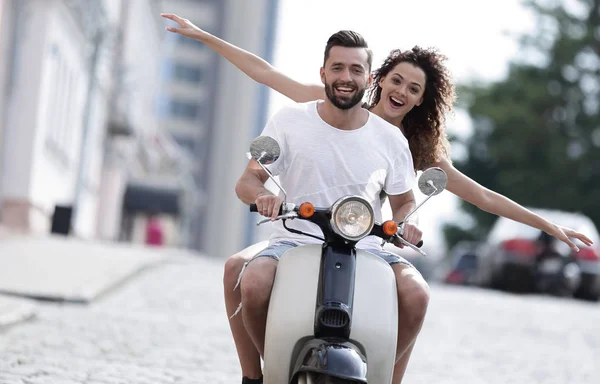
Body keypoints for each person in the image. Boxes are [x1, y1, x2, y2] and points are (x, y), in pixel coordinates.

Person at [160, 13, 594, 383]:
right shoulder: (330, 105)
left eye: (413, 89)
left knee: (416, 296)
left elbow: (480, 196)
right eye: (396, 80)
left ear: (423, 101)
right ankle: (256, 373)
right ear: (378, 79)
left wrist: (548, 225)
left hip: (367, 239)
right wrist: (203, 35)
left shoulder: (412, 147)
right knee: (242, 270)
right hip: (302, 228)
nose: (400, 92)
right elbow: (267, 75)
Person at [234, 29, 426, 384]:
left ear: (369, 79)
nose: (345, 77)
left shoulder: (391, 139)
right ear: (323, 73)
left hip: (367, 243)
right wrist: (263, 196)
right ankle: (267, 372)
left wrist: (405, 224)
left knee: (417, 294)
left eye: (355, 70)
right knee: (253, 283)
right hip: (293, 238)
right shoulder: (289, 121)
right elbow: (247, 181)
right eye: (337, 67)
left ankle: (387, 378)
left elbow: (405, 201)